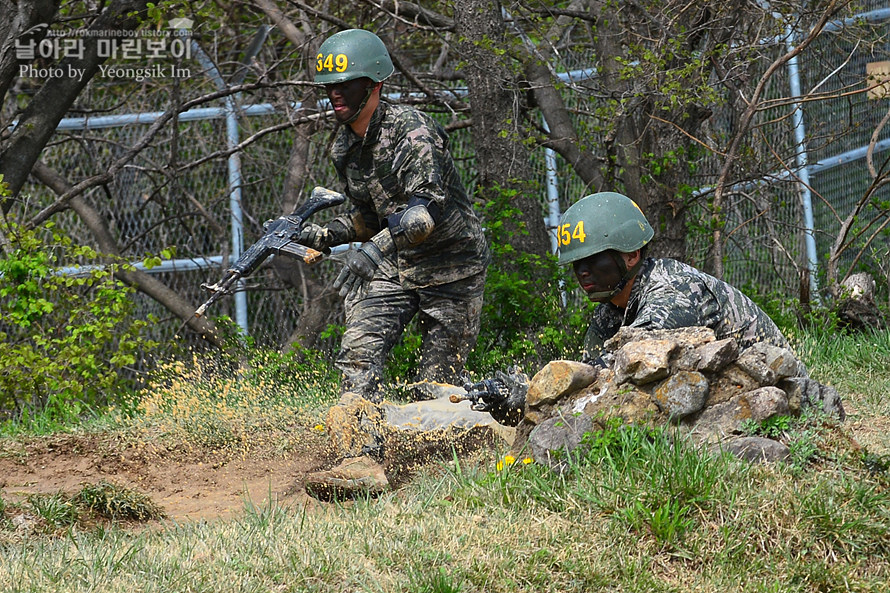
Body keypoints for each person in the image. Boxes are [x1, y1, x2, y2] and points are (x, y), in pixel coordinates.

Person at [299, 29, 489, 471]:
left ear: (374, 84)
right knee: (358, 352)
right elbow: (370, 218)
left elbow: (422, 217)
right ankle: (360, 459)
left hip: (452, 268)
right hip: (396, 264)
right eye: (329, 86)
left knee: (436, 386)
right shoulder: (343, 145)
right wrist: (325, 235)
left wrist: (371, 251)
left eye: (344, 84)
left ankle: (468, 452)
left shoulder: (413, 131)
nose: (334, 94)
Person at [464, 191, 798, 426]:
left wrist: (529, 392)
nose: (582, 273)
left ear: (630, 255)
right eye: (576, 264)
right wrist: (517, 401)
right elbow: (584, 380)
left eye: (592, 260)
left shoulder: (672, 292)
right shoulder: (612, 307)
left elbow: (615, 370)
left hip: (779, 400)